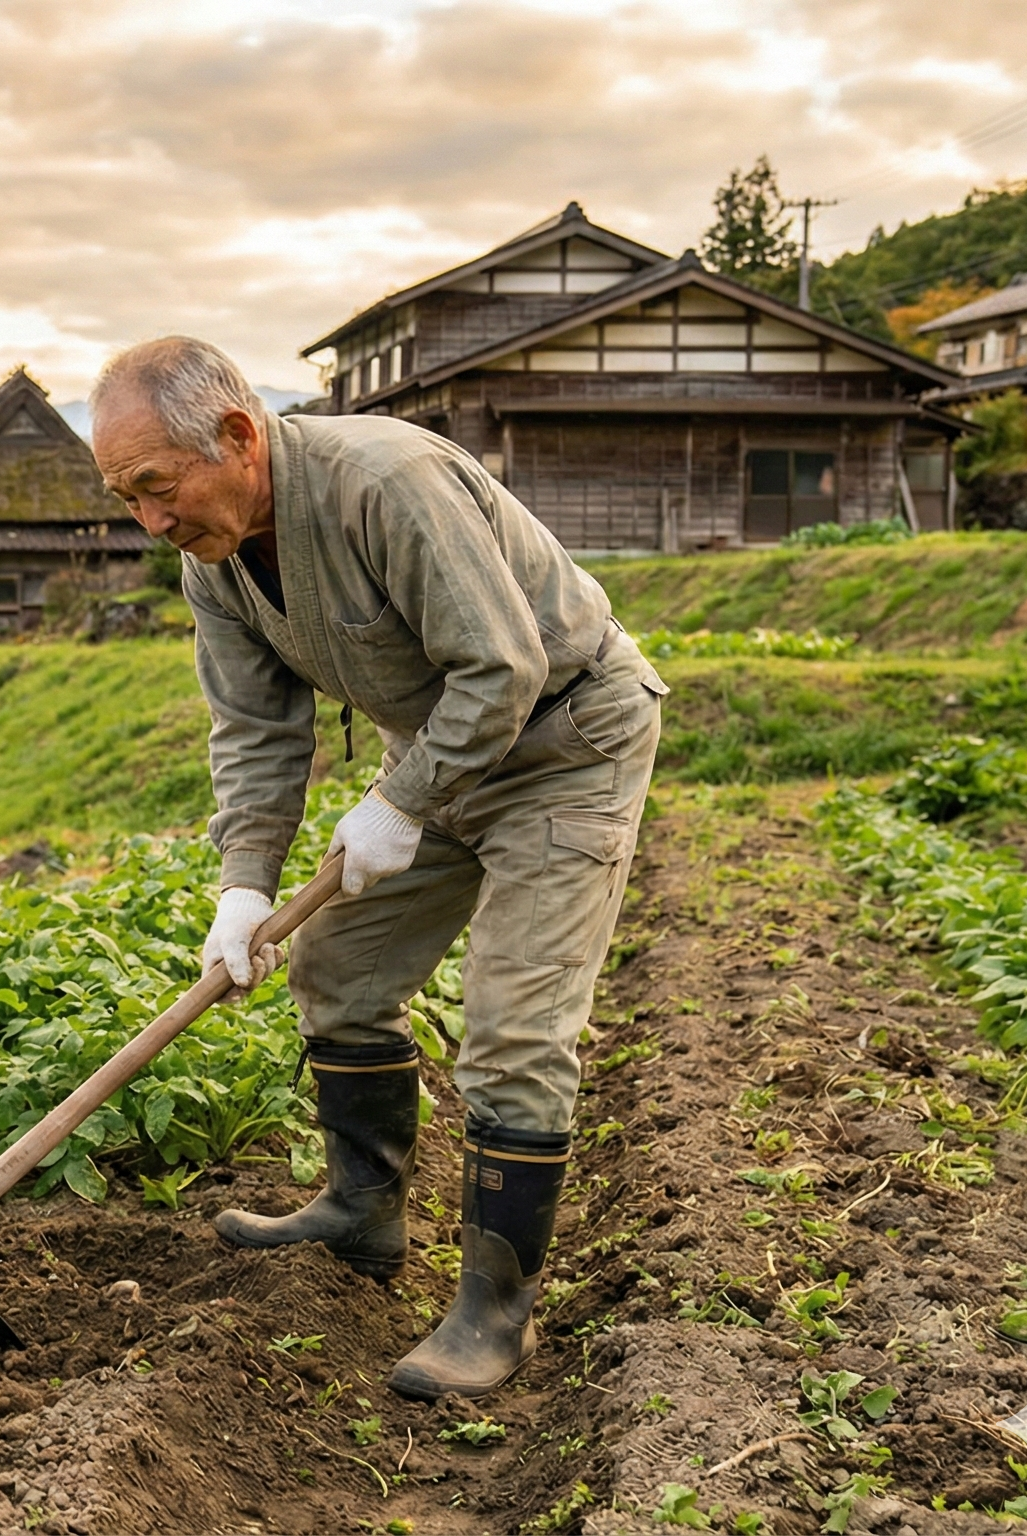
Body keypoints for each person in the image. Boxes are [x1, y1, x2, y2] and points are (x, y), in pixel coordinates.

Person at [88, 337, 664, 1400]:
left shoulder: (385, 483)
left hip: (560, 742)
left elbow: (501, 665)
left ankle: (494, 1313)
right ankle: (364, 1207)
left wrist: (398, 802)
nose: (151, 522)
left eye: (156, 489)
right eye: (127, 499)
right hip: (436, 753)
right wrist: (243, 884)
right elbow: (254, 729)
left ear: (235, 437)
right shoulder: (212, 563)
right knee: (338, 974)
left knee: (510, 1030)